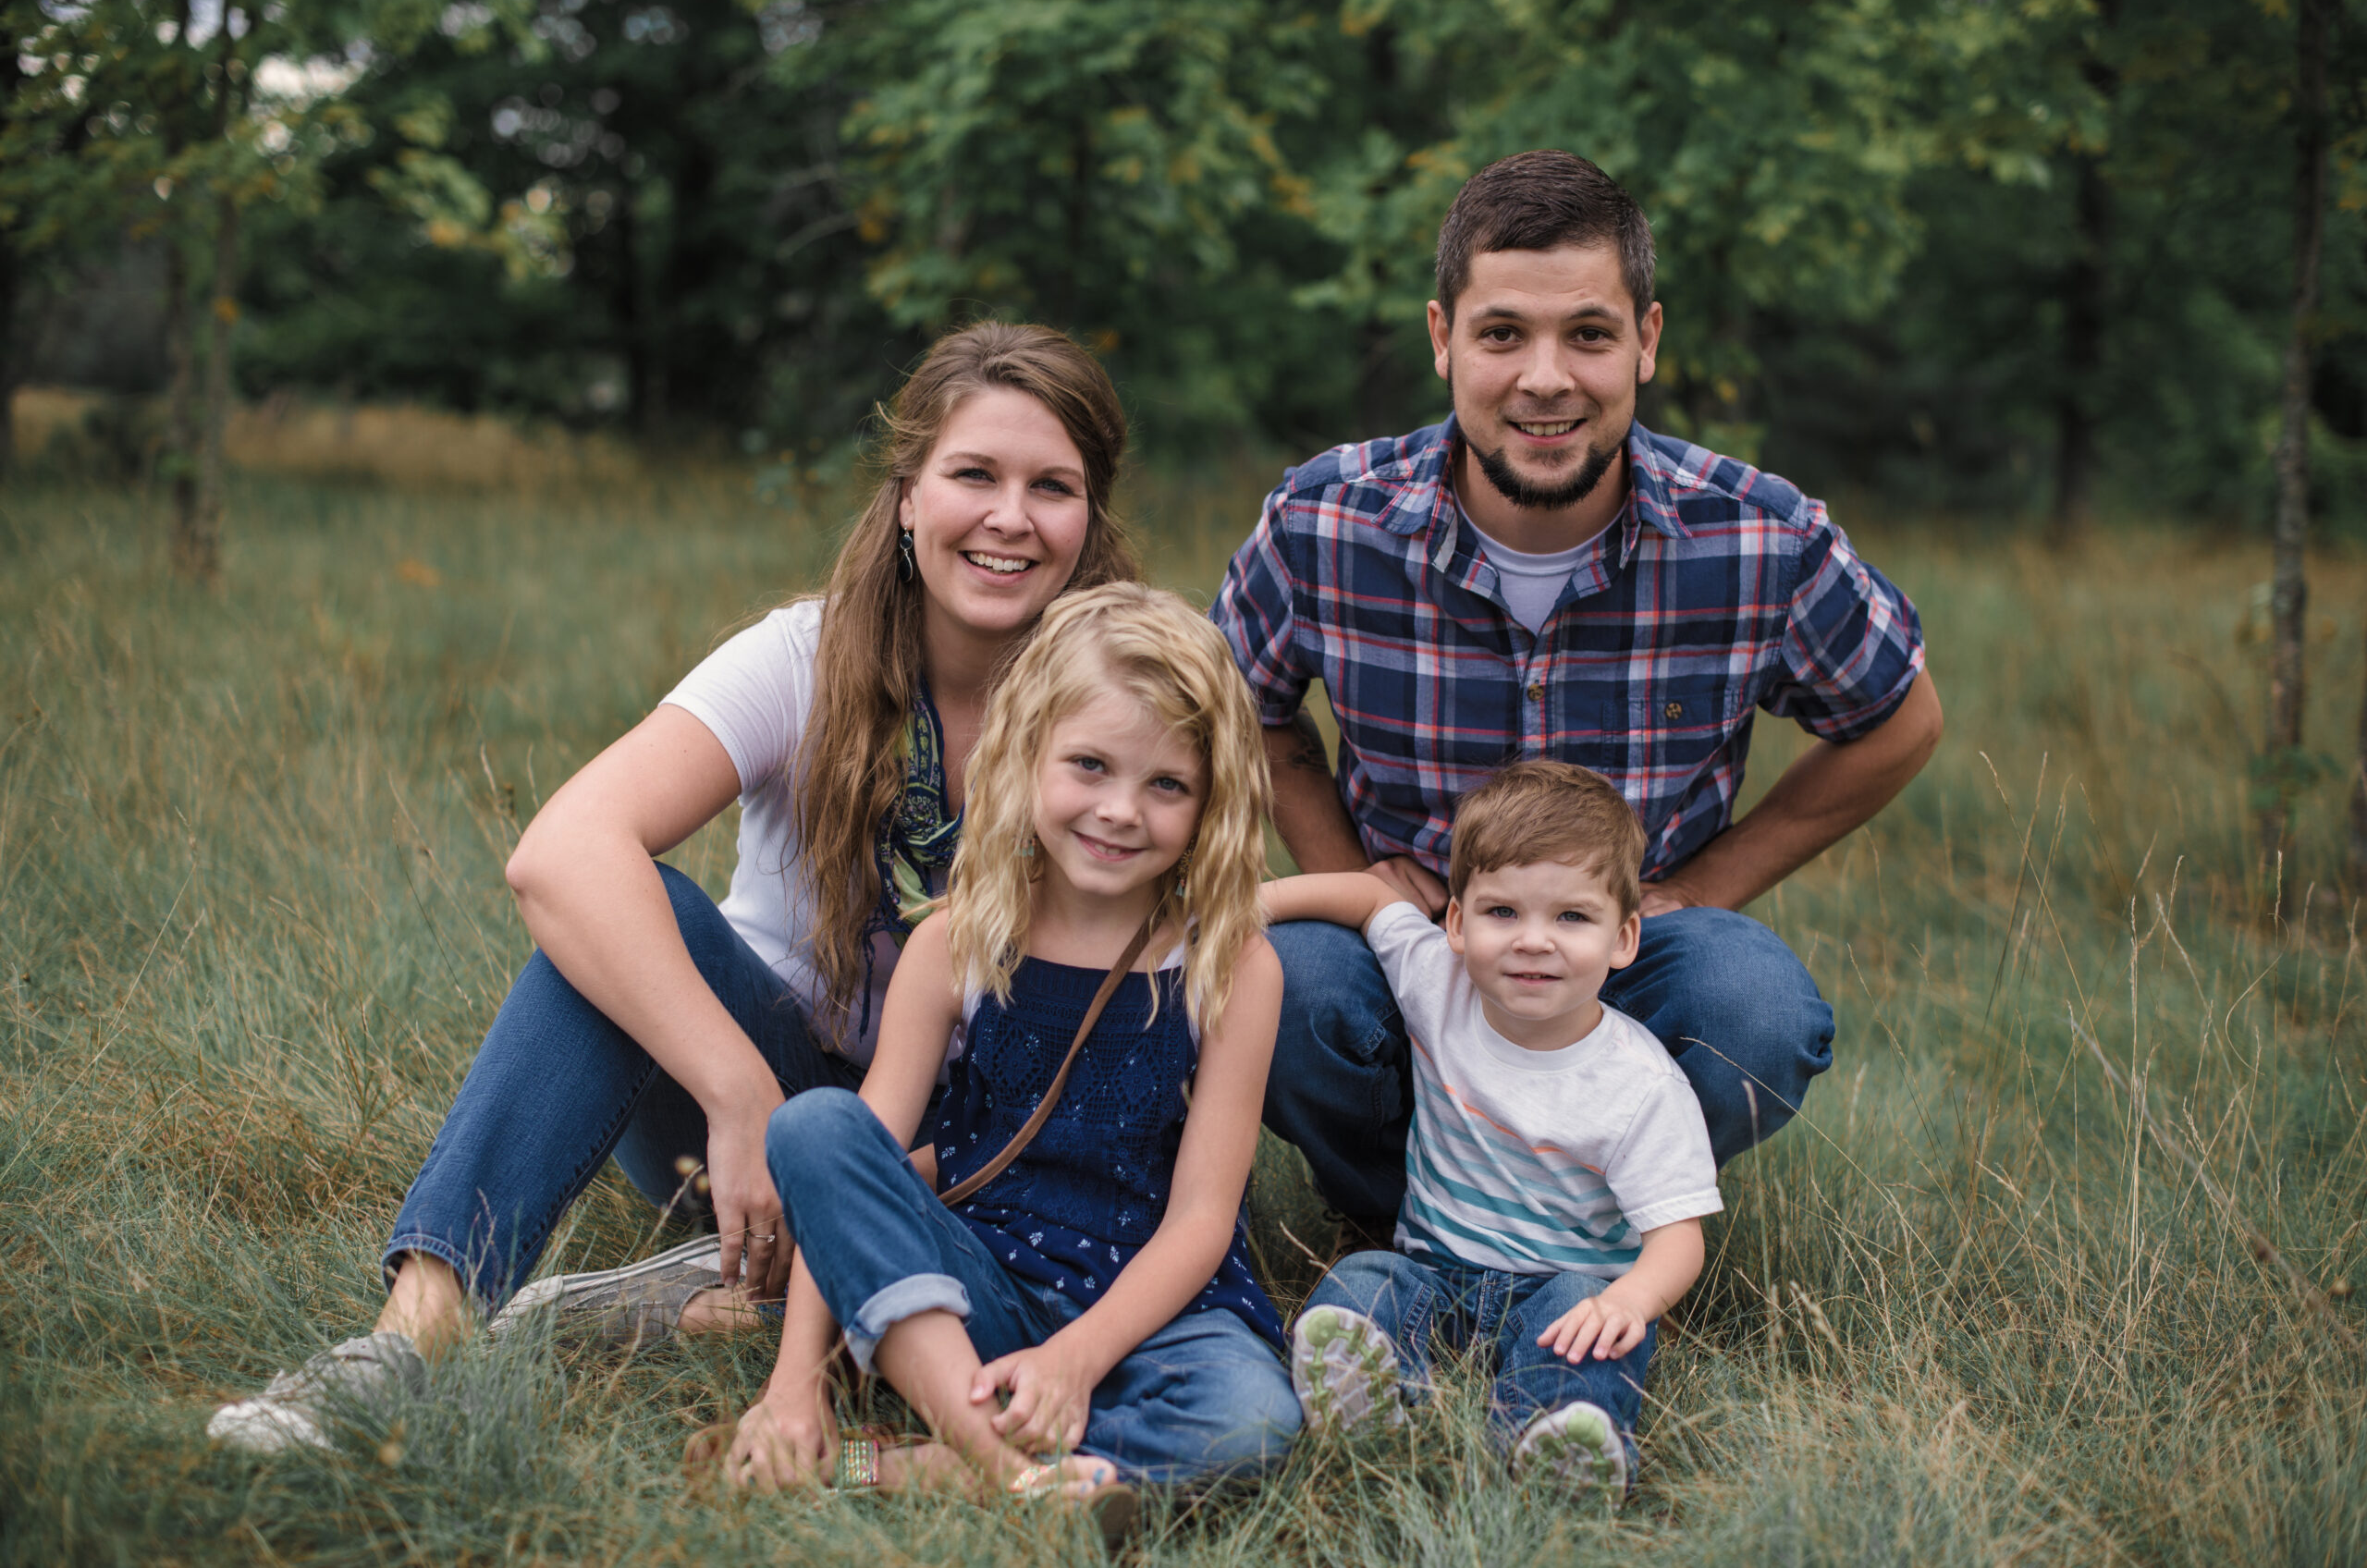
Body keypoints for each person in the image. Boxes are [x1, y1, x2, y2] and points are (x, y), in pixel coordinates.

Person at [209, 322, 1143, 1452]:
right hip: (749, 1106)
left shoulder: (1120, 706)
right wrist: (741, 1091)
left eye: (1053, 486)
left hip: (991, 1152)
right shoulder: (804, 657)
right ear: (906, 496)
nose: (1009, 517)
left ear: (1090, 519)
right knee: (620, 909)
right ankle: (409, 1342)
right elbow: (558, 850)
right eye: (973, 475)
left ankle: (705, 1297)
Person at [1210, 150, 1943, 1233]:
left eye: (1588, 334)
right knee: (1288, 984)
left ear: (1645, 341)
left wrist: (1697, 887)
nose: (1544, 377)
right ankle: (1404, 1220)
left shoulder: (1756, 535)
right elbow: (1234, 708)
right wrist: (1360, 888)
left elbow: (1900, 721)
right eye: (1502, 332)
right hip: (1400, 960)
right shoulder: (1326, 519)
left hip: (1614, 964)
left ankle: (1589, 1222)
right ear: (1441, 339)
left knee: (1755, 1007)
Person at [717, 583, 1297, 1535]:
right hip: (975, 1282)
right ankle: (1002, 1459)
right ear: (1027, 756)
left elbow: (1201, 1218)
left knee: (1250, 1424)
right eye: (1089, 765)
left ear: (1211, 800)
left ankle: (904, 1464)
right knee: (812, 1125)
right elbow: (854, 1161)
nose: (1119, 809)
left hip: (1150, 1305)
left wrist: (1074, 1357)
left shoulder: (1232, 963)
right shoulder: (958, 939)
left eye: (1165, 785)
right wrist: (792, 1390)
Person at [1264, 762, 1719, 1504]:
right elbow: (1370, 896)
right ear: (1456, 923)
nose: (1533, 941)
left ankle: (1556, 1439)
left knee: (1594, 1344)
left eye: (1571, 917)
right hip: (1433, 1266)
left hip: (1564, 1288)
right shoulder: (1438, 983)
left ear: (1624, 936)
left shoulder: (1641, 1083)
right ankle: (1371, 1400)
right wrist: (1251, 903)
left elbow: (1679, 1237)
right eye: (1502, 912)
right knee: (1362, 1283)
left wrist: (1628, 1301)